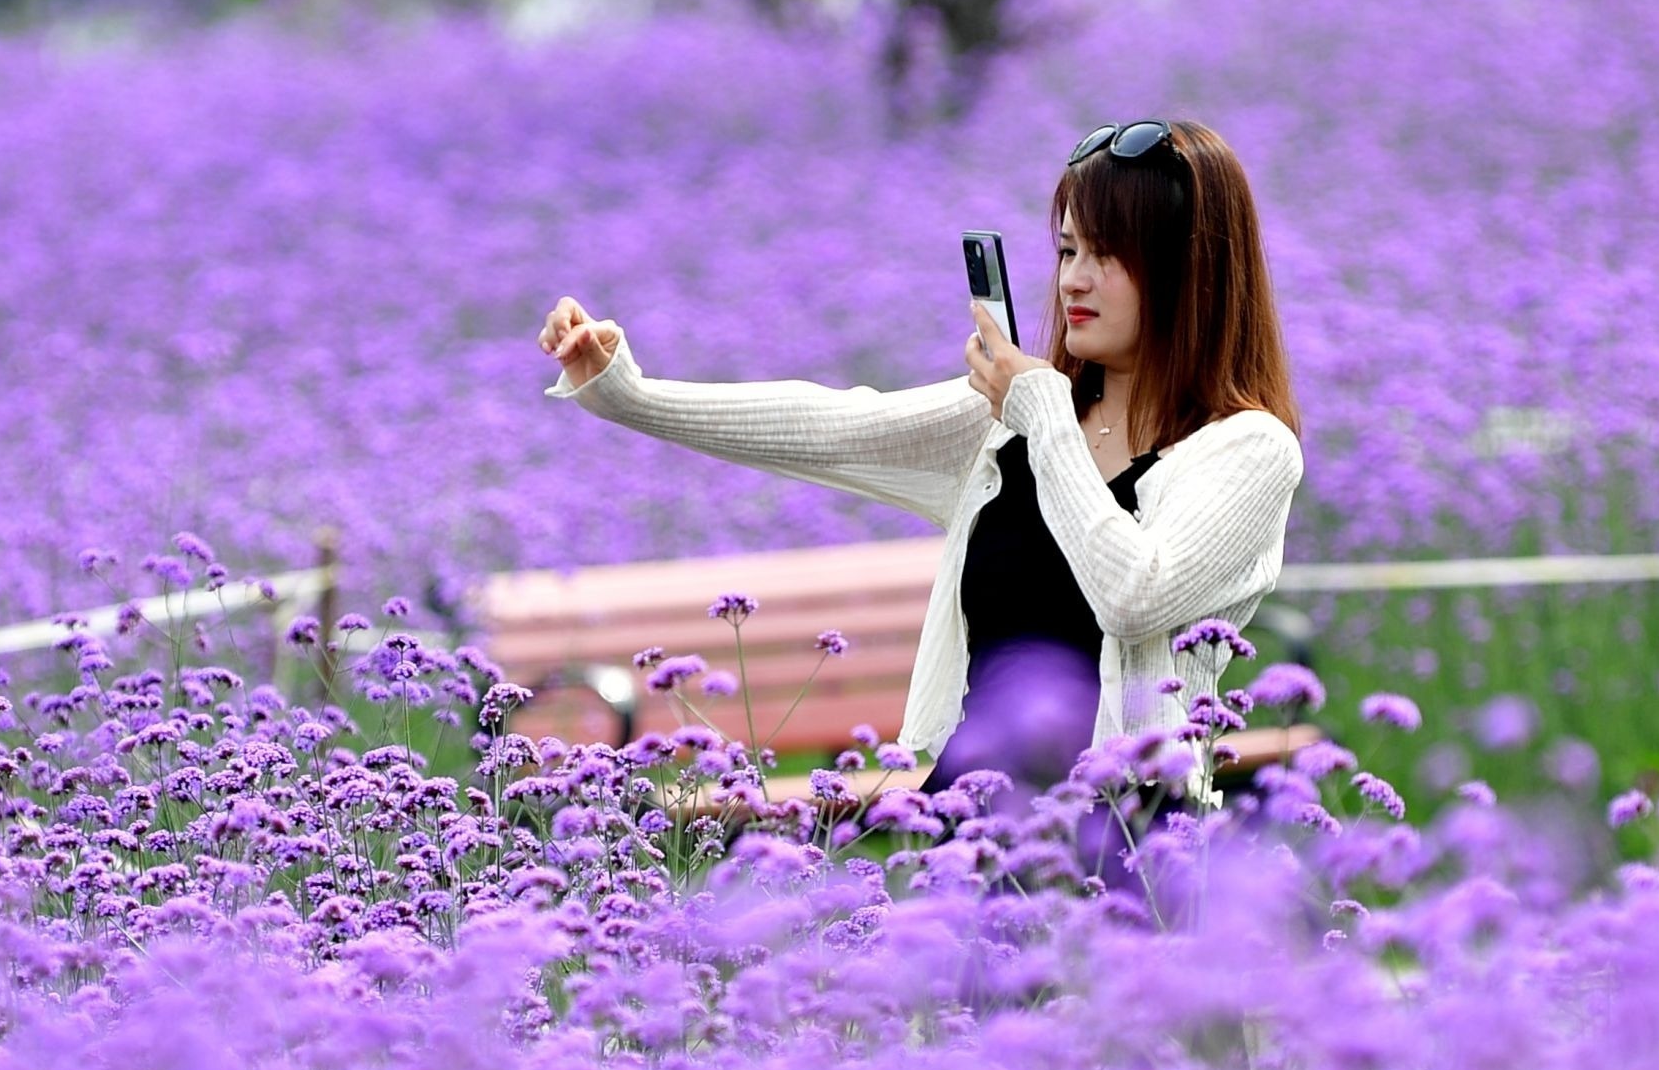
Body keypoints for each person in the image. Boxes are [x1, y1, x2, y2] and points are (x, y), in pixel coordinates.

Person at [537, 116, 1303, 810]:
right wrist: (626, 394)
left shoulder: (1247, 451)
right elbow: (829, 425)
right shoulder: (1015, 418)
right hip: (975, 825)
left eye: (1108, 256)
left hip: (1129, 836)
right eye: (1068, 249)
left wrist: (1040, 412)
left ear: (1189, 273)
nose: (1072, 279)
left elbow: (1133, 596)